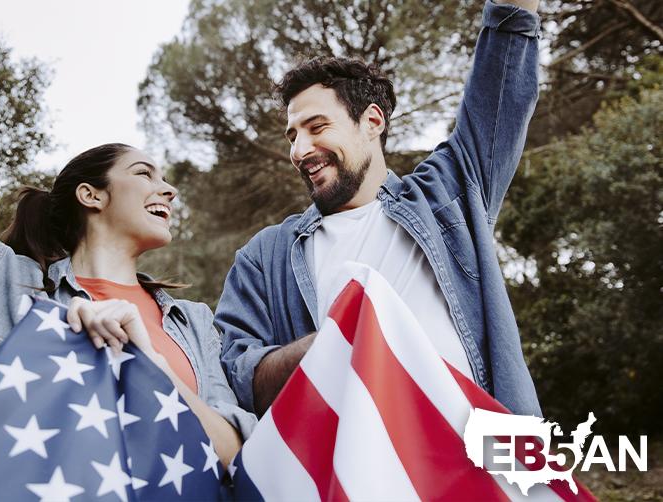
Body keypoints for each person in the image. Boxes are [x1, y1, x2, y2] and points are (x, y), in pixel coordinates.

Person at [0, 3, 254, 500]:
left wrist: (156, 367)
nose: (168, 190)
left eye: (167, 180)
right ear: (91, 195)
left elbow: (236, 453)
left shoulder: (193, 325)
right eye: (145, 173)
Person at [216, 0, 544, 418]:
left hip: (479, 467)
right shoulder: (265, 257)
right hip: (352, 475)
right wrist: (335, 340)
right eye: (292, 136)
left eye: (317, 128)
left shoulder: (447, 194)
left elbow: (502, 75)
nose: (299, 150)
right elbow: (239, 381)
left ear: (372, 122)